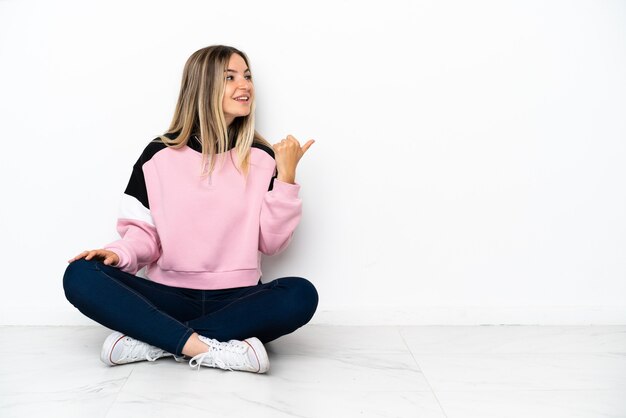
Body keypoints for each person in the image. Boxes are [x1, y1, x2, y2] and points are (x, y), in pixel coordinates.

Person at [63, 45, 319, 374]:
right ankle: (206, 347)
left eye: (247, 76)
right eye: (230, 77)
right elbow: (143, 235)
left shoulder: (263, 157)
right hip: (167, 296)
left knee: (300, 294)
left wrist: (286, 177)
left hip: (237, 298)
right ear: (203, 85)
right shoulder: (158, 154)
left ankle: (155, 339)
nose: (245, 85)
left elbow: (272, 244)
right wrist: (117, 255)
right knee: (81, 274)